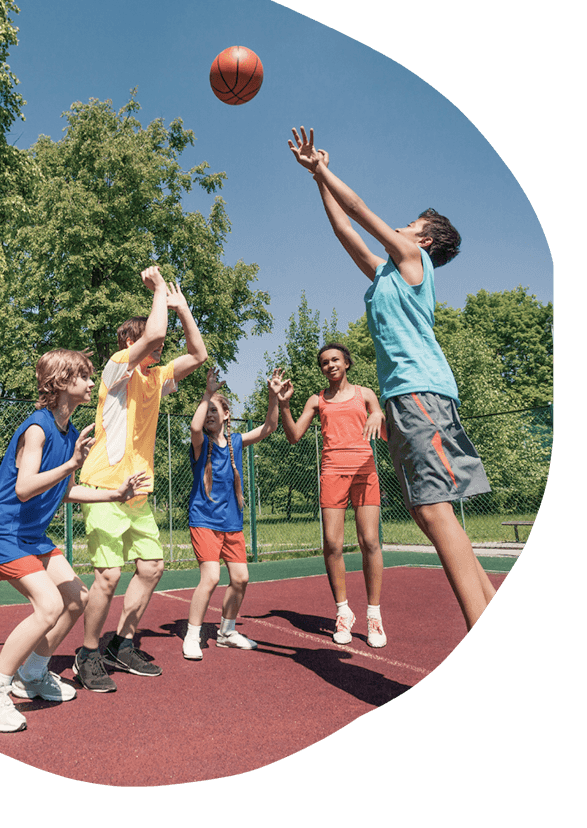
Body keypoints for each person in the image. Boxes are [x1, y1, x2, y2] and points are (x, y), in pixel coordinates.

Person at [287, 127, 496, 631]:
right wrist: (317, 181)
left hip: (421, 393)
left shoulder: (413, 259)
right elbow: (345, 231)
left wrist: (323, 168)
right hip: (407, 397)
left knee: (435, 510)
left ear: (422, 240)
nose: (397, 228)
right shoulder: (387, 272)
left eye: (407, 224)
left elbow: (358, 209)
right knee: (429, 514)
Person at [0, 349, 150, 732]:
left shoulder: (69, 435)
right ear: (63, 382)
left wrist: (115, 494)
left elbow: (65, 493)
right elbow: (24, 487)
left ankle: (31, 675)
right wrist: (71, 465)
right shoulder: (37, 428)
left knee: (77, 598)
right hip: (4, 531)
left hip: (31, 534)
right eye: (83, 376)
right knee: (48, 605)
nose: (89, 382)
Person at [74, 265, 208, 692]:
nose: (160, 345)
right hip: (103, 490)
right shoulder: (116, 371)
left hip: (138, 492)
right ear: (132, 344)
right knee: (108, 577)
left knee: (151, 568)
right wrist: (157, 291)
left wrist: (183, 308)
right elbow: (154, 336)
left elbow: (198, 355)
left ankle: (122, 643)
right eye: (151, 341)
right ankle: (88, 653)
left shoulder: (156, 377)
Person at [278, 343, 388, 647]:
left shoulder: (365, 394)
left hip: (365, 471)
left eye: (335, 360)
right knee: (332, 544)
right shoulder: (316, 400)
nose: (330, 365)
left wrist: (377, 414)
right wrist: (284, 405)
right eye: (325, 362)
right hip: (332, 472)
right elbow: (293, 436)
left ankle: (374, 615)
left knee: (370, 541)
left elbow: (378, 415)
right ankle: (343, 612)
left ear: (347, 363)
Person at [182, 366, 284, 661]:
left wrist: (273, 397)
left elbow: (269, 427)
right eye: (207, 411)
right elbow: (193, 427)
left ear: (227, 414)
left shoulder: (237, 442)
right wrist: (207, 394)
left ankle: (226, 632)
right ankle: (192, 635)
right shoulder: (201, 446)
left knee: (240, 578)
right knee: (211, 577)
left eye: (216, 409)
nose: (210, 414)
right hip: (204, 520)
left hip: (232, 524)